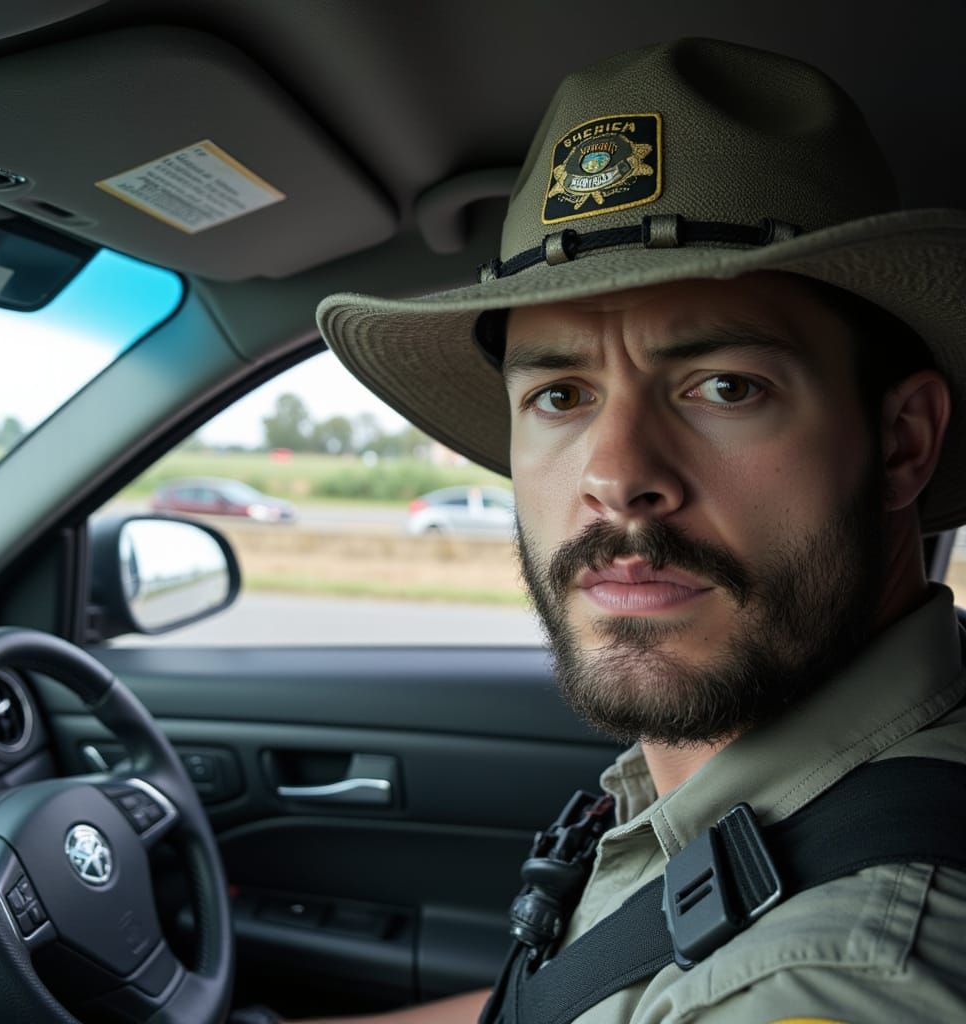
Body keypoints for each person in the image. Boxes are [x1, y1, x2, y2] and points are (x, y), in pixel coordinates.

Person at [312, 37, 966, 1023]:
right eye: (562, 393)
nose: (616, 478)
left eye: (724, 387)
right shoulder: (772, 775)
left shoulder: (838, 978)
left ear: (900, 444)